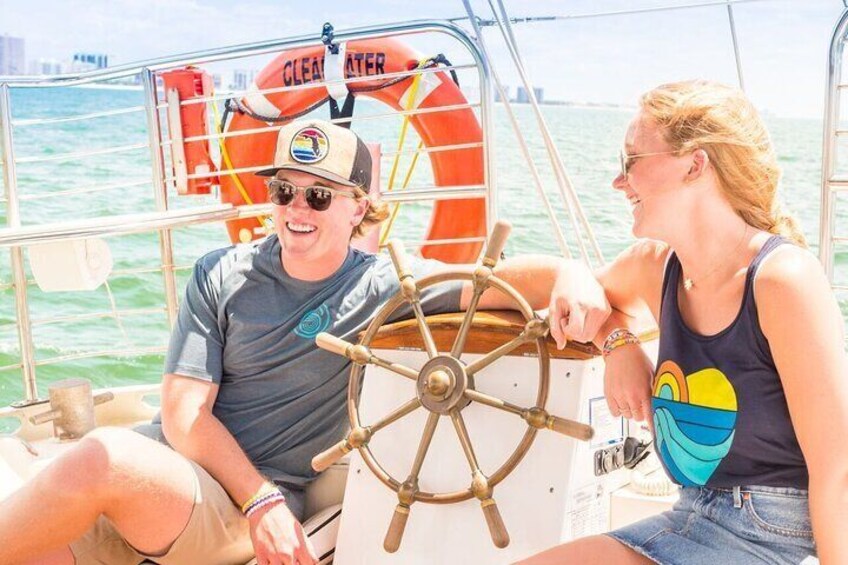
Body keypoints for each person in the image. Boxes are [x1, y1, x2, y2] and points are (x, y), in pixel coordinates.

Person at [0, 119, 610, 565]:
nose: (297, 208)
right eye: (283, 190)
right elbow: (184, 418)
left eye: (318, 195)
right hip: (157, 485)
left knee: (101, 456)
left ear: (360, 209)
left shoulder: (384, 289)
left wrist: (572, 276)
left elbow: (497, 280)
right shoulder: (220, 272)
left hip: (229, 508)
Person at [518, 80, 848, 565]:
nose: (618, 181)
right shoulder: (656, 268)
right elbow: (507, 282)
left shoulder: (782, 280)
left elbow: (837, 468)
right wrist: (617, 339)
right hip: (689, 519)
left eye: (631, 161)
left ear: (695, 164)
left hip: (778, 541)